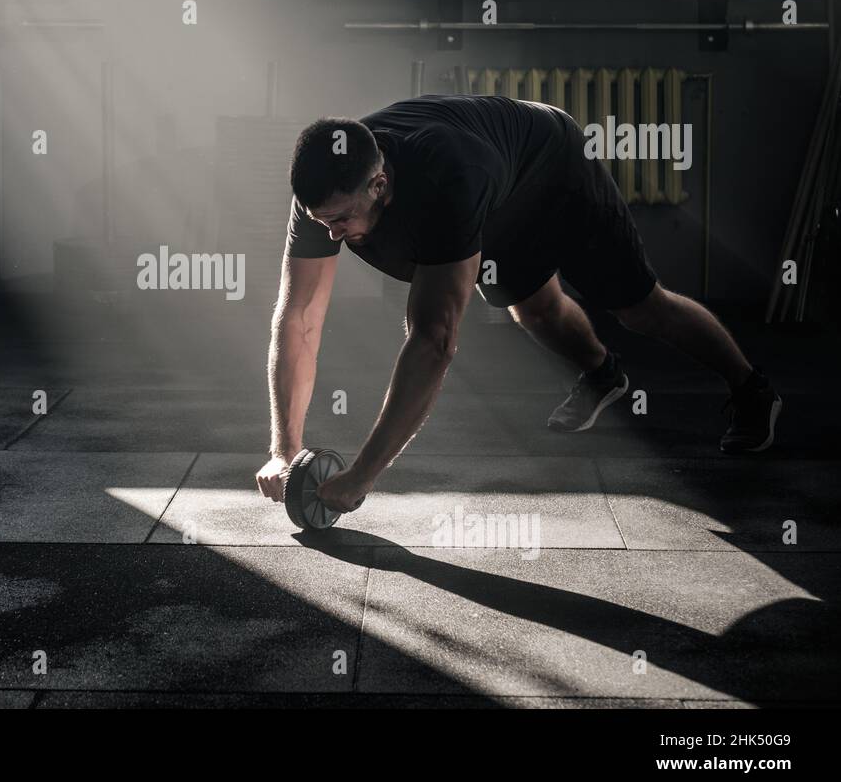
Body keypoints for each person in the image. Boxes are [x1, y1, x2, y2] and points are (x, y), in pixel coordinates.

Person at [254, 95, 783, 513]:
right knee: (532, 310)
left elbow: (435, 340)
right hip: (498, 195)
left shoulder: (445, 179)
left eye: (343, 220)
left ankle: (751, 387)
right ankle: (602, 374)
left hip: (553, 170)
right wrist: (284, 450)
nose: (335, 235)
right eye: (325, 222)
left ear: (380, 182)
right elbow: (298, 319)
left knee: (640, 309)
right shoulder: (324, 199)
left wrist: (361, 477)